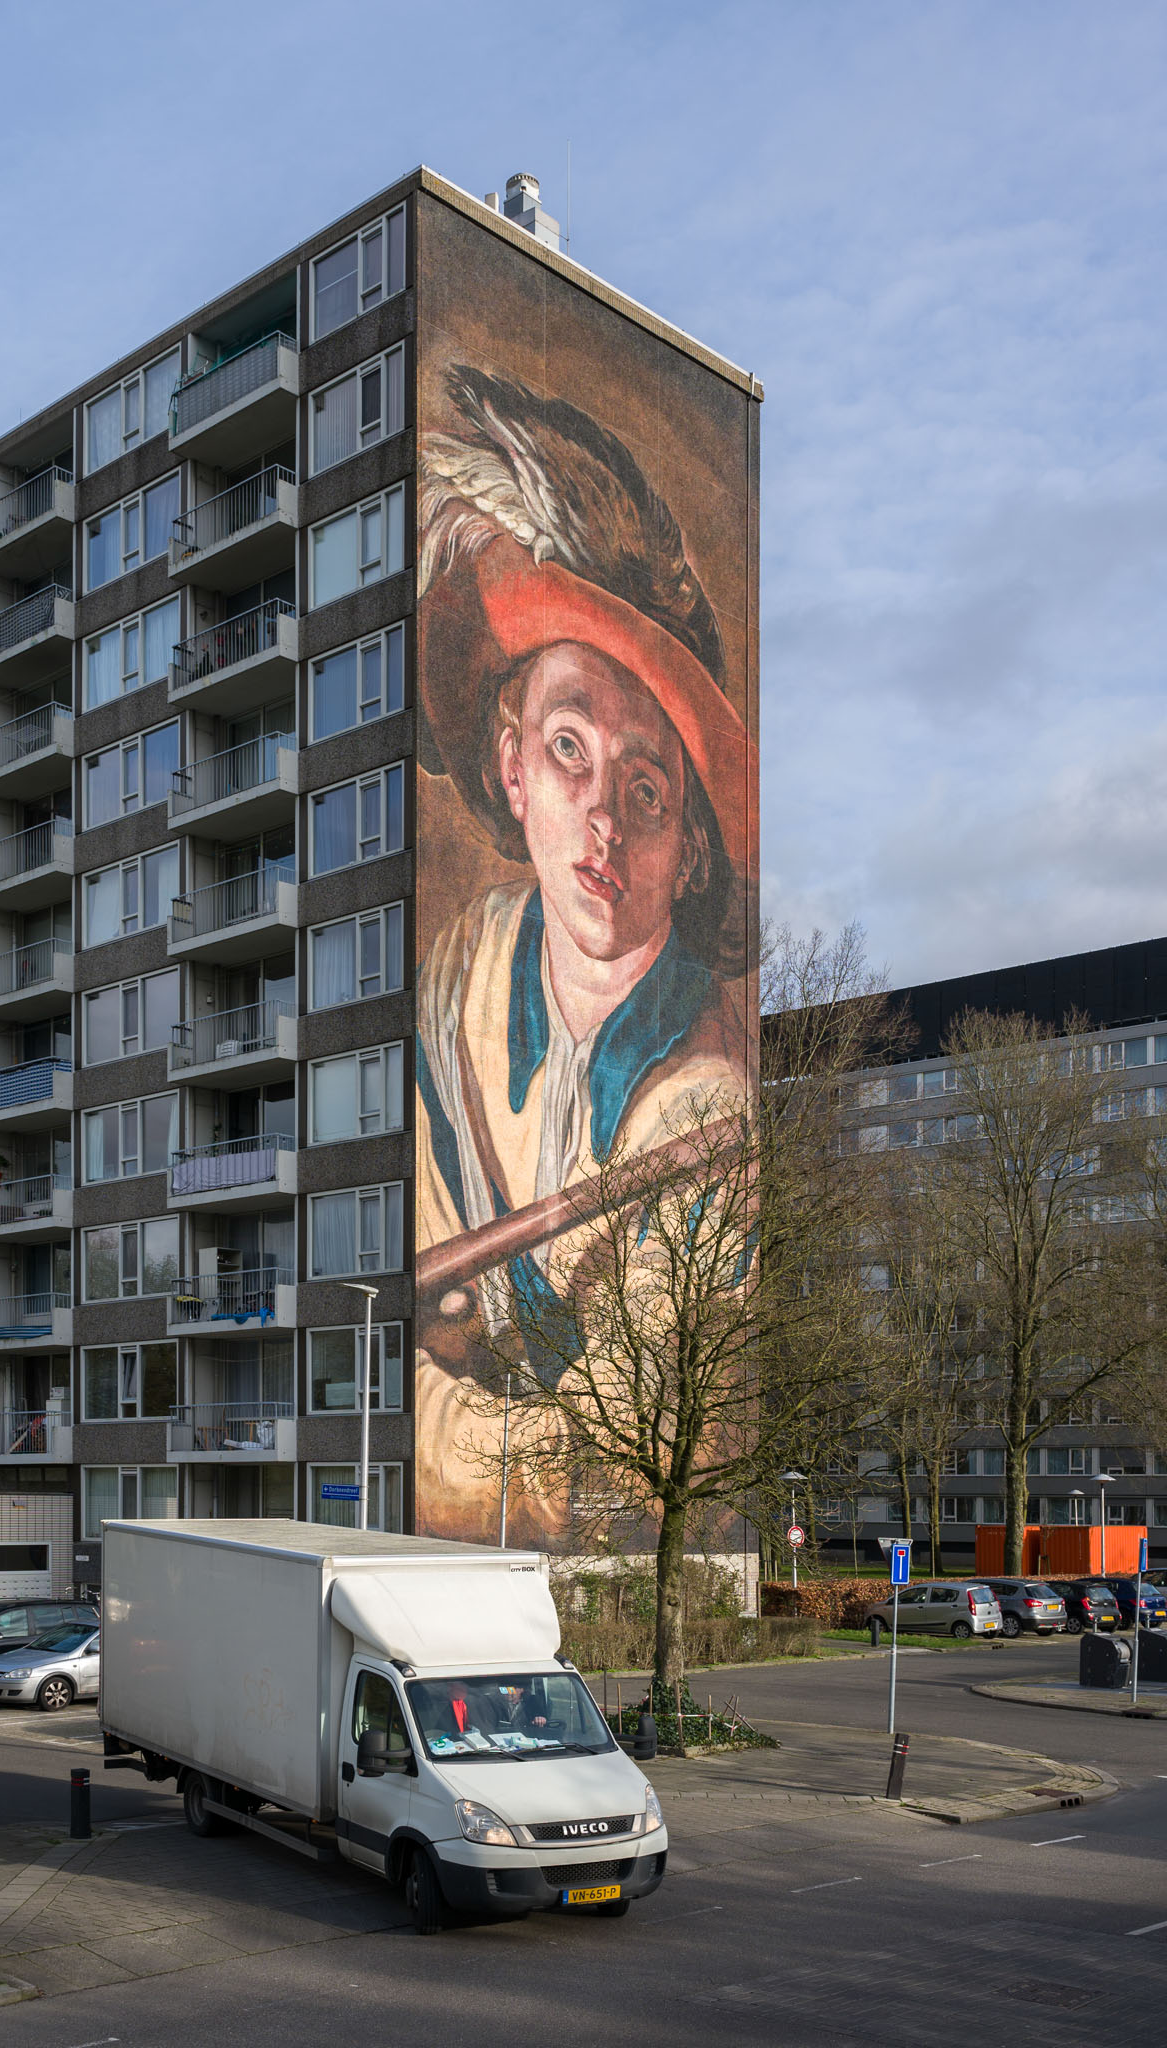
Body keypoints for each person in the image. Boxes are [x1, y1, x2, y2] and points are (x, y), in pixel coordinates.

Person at [414, 368, 757, 1543]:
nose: (603, 819)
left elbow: (635, 1439)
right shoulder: (459, 977)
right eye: (569, 747)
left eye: (648, 788)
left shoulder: (703, 1100)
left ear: (694, 855)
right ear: (511, 765)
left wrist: (451, 1409)